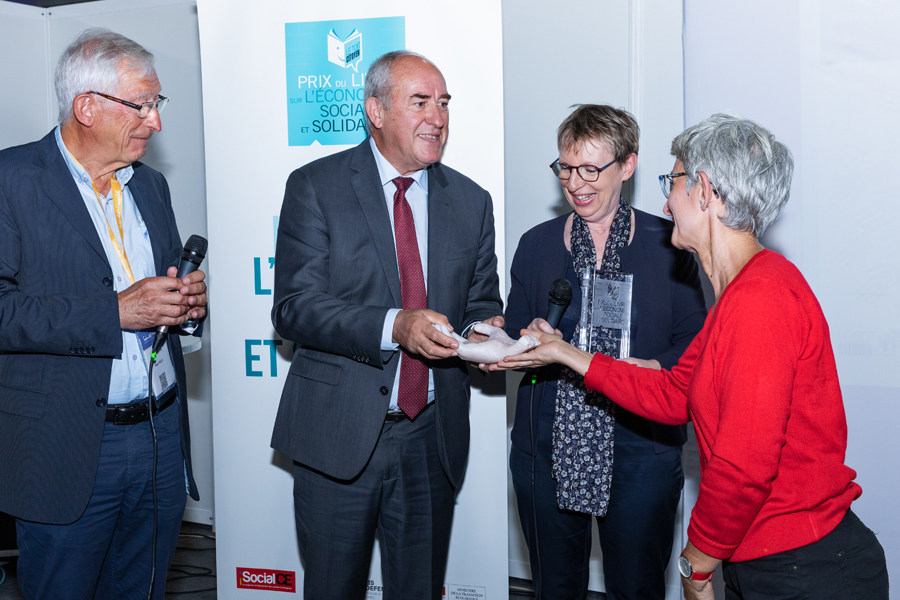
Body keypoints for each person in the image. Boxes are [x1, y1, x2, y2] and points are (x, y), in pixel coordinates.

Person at [496, 113, 889, 600]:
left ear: (703, 191)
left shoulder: (761, 299)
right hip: (770, 561)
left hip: (802, 568)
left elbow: (744, 466)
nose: (665, 199)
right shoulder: (743, 292)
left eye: (673, 181)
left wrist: (696, 562)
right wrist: (566, 353)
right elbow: (675, 392)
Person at [270, 50, 503, 600]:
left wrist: (481, 333)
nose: (438, 117)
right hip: (337, 435)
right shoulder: (315, 186)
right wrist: (393, 325)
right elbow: (294, 307)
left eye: (443, 103)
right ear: (375, 110)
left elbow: (479, 300)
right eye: (420, 102)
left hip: (431, 436)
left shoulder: (471, 201)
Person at [0, 28, 207, 600]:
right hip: (69, 445)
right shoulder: (11, 182)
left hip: (160, 430)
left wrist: (185, 306)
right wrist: (114, 311)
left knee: (142, 588)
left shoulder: (151, 188)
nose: (155, 122)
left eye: (156, 104)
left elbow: (158, 301)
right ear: (86, 107)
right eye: (142, 105)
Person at [504, 104, 706, 600]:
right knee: (555, 589)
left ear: (628, 166)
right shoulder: (536, 245)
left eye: (592, 169)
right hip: (547, 448)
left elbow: (697, 345)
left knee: (636, 588)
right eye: (567, 168)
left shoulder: (671, 244)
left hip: (641, 447)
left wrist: (652, 369)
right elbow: (512, 332)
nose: (577, 183)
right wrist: (521, 337)